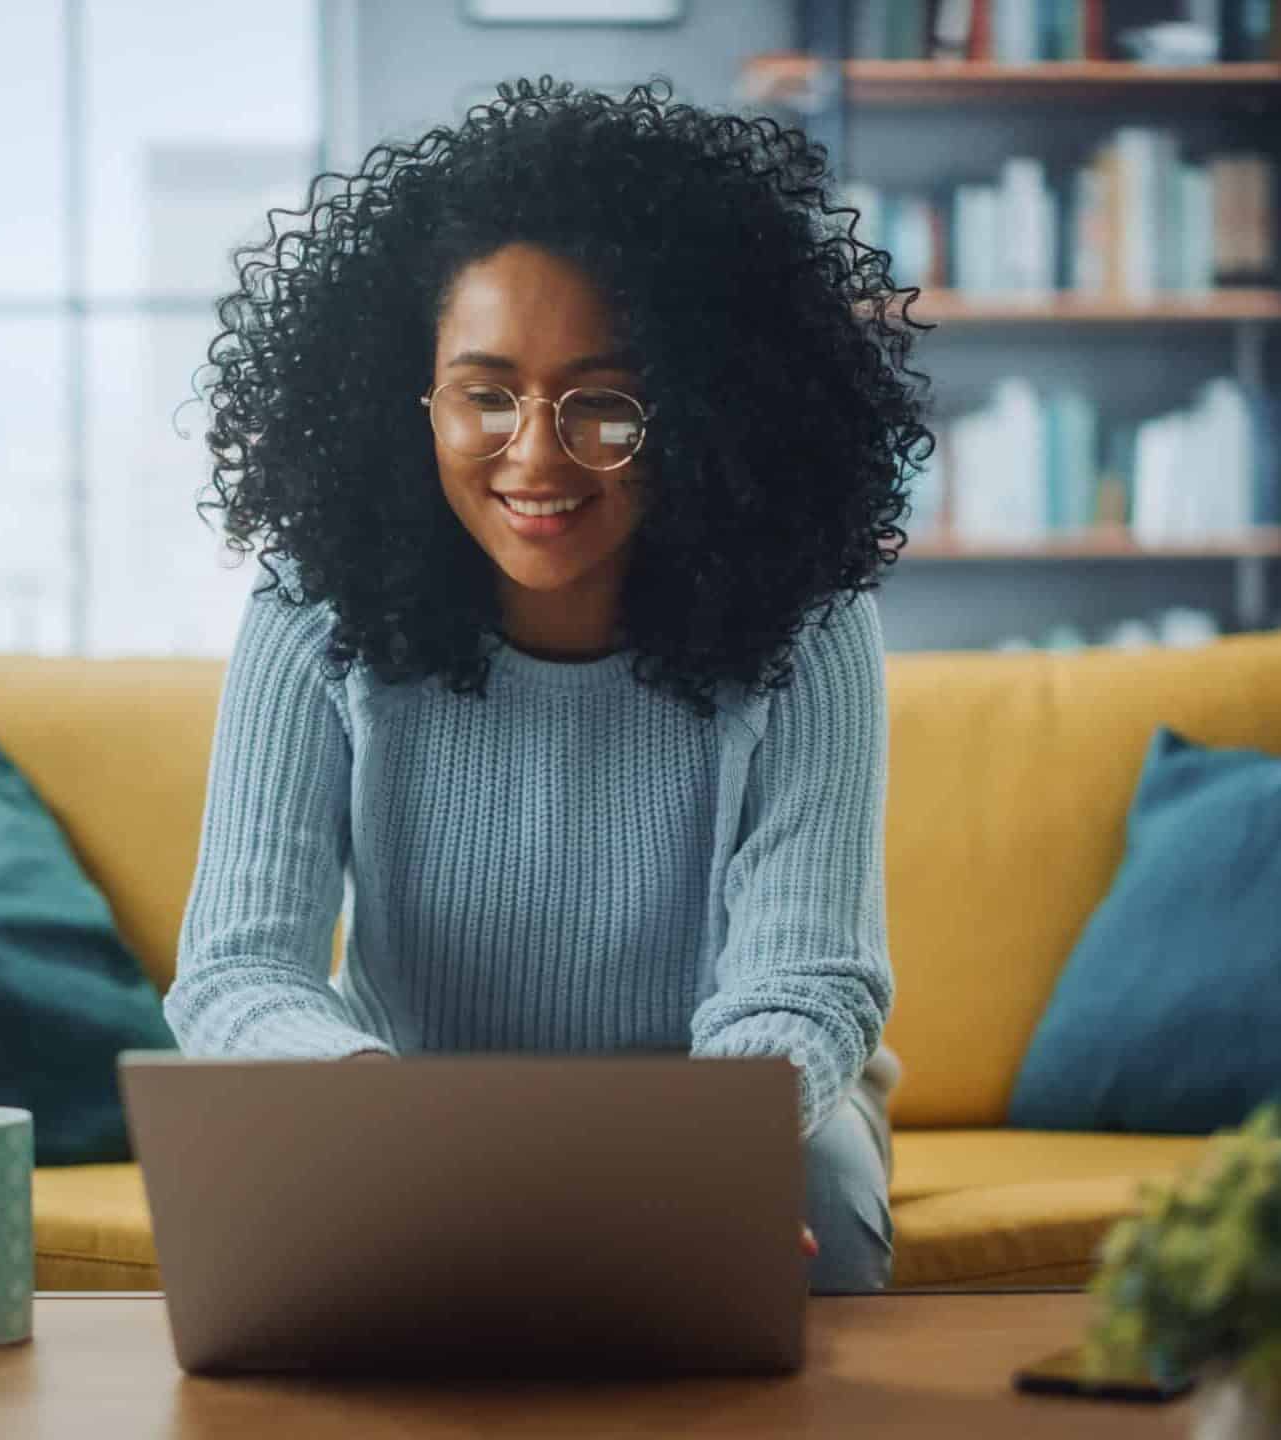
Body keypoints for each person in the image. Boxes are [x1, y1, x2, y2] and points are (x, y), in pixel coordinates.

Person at [166, 74, 933, 1294]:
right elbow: (237, 970)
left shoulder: (809, 618)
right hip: (402, 1115)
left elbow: (805, 978)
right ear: (408, 402)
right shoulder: (312, 605)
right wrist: (376, 1117)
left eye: (605, 404)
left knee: (820, 1220)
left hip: (721, 1110)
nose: (537, 454)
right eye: (485, 395)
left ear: (705, 407)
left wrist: (693, 1150)